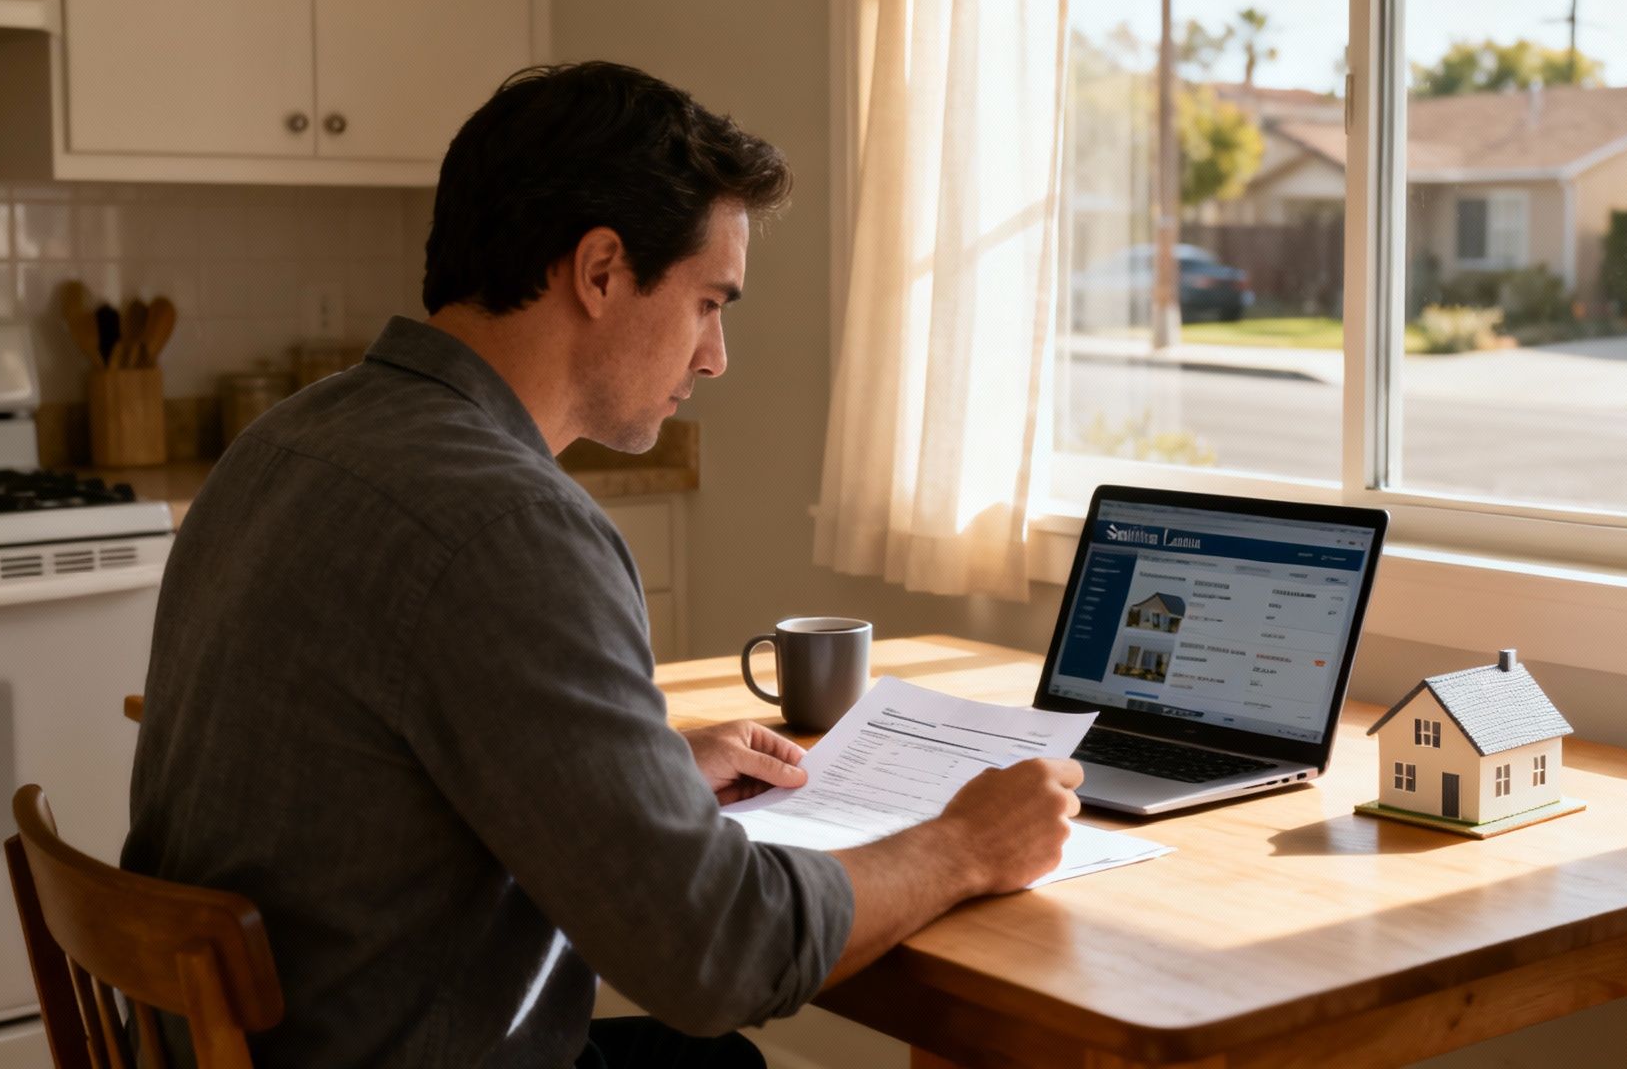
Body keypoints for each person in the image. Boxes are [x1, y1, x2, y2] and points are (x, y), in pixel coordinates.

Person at [123, 62, 1083, 1068]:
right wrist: (963, 846)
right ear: (598, 270)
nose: (715, 356)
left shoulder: (285, 441)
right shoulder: (511, 529)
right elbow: (717, 958)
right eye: (709, 301)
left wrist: (647, 771)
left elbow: (375, 779)